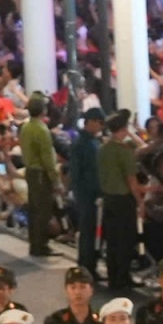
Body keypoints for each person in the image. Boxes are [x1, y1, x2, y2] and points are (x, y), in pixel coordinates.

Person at [97, 110, 143, 290]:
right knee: (126, 240)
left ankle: (113, 276)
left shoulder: (103, 150)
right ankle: (123, 277)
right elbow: (131, 180)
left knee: (112, 240)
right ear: (123, 128)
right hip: (123, 200)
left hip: (108, 199)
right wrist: (139, 201)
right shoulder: (124, 151)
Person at [18, 96, 61, 259]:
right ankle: (41, 244)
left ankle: (34, 244)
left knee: (34, 208)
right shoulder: (42, 130)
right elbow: (48, 158)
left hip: (30, 170)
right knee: (43, 210)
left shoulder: (26, 127)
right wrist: (55, 180)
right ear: (43, 110)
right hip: (41, 173)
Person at [68, 109, 106, 279]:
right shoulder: (87, 144)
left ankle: (86, 264)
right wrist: (98, 191)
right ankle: (88, 266)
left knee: (88, 231)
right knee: (89, 231)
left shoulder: (82, 141)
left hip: (83, 192)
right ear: (90, 121)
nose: (100, 126)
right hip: (88, 194)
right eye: (98, 122)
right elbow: (91, 172)